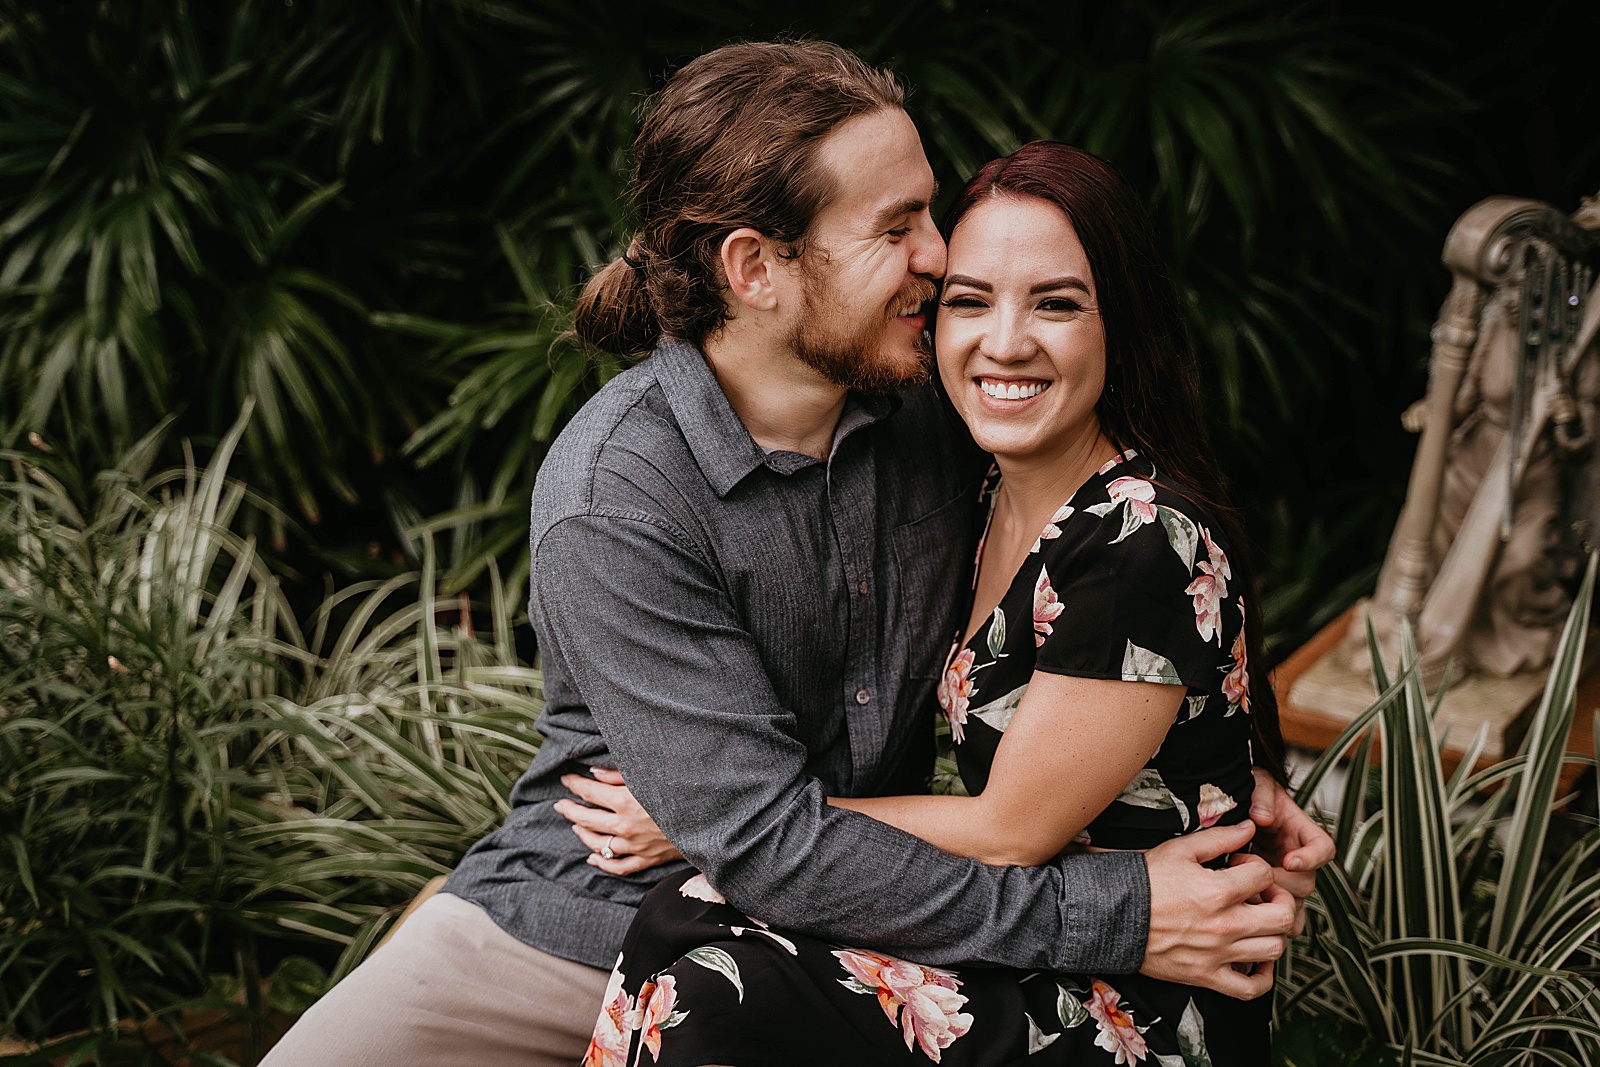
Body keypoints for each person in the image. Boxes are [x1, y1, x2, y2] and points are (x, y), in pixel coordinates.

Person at [261, 41, 1330, 1067]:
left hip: (848, 925)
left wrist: (1241, 770)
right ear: (755, 267)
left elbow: (1147, 549)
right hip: (583, 919)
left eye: (929, 212)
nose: (937, 254)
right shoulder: (617, 499)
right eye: (897, 224)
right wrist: (1118, 912)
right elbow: (768, 845)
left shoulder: (937, 407)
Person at [583, 141, 1286, 1067]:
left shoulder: (1137, 539)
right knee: (690, 929)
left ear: (1123, 323)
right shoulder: (987, 492)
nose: (1004, 341)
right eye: (969, 300)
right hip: (1043, 928)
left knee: (709, 979)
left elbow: (1007, 830)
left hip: (1142, 984)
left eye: (1056, 303)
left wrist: (719, 821)